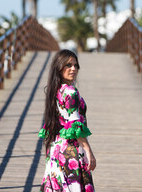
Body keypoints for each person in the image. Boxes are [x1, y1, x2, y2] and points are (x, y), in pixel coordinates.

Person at [38, 49, 96, 192]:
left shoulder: (56, 90)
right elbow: (75, 126)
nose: (73, 69)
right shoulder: (70, 92)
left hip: (55, 149)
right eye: (68, 65)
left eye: (75, 65)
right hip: (71, 152)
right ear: (59, 67)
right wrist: (89, 151)